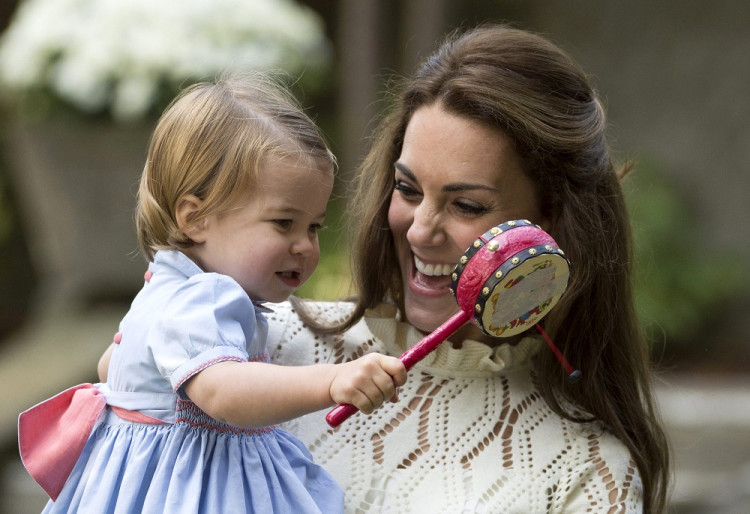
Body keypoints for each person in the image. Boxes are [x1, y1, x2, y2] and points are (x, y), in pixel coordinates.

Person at [263, 24, 671, 513]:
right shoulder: (262, 345)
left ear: (550, 223)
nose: (419, 231)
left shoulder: (587, 469)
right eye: (408, 190)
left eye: (467, 206)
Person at [19, 74, 407, 513]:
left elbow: (112, 366)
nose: (304, 245)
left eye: (314, 227)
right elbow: (224, 393)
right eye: (283, 223)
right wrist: (332, 379)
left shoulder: (163, 284)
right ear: (195, 219)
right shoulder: (206, 296)